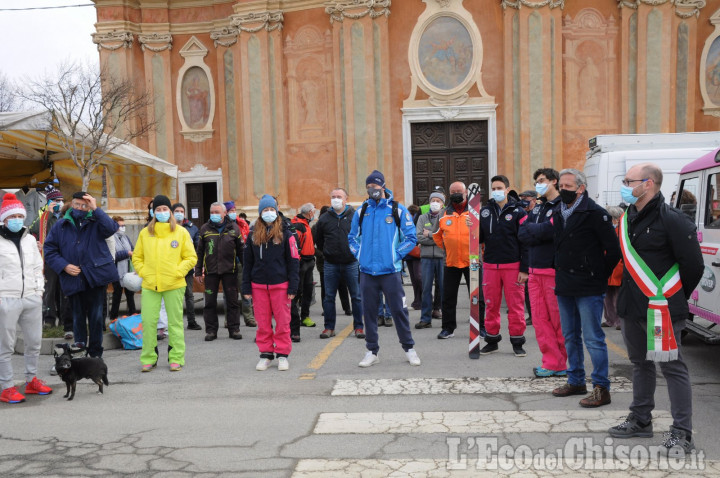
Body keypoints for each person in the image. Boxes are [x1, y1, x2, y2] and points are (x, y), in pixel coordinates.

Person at [608, 163, 704, 454]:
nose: (625, 184)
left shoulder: (672, 219)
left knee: (672, 368)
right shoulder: (628, 218)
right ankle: (640, 419)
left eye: (629, 180)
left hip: (660, 309)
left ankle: (681, 432)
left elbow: (693, 266)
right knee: (640, 365)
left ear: (648, 183)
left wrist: (670, 298)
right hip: (630, 306)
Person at [550, 169, 621, 407]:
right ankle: (576, 381)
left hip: (589, 285)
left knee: (593, 338)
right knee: (570, 336)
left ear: (581, 188)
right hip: (565, 284)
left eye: (568, 186)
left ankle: (601, 388)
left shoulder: (596, 214)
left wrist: (599, 274)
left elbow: (613, 250)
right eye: (561, 186)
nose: (563, 190)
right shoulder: (559, 211)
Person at [348, 170, 421, 367]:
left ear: (383, 186)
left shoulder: (397, 210)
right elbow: (352, 238)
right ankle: (371, 351)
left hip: (390, 272)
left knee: (399, 311)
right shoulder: (362, 211)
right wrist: (359, 254)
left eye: (375, 186)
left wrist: (395, 255)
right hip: (367, 273)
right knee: (369, 312)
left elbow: (411, 238)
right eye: (369, 187)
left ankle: (409, 348)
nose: (372, 189)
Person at [44, 192, 119, 358]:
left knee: (96, 317)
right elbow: (49, 250)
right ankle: (79, 350)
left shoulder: (96, 220)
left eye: (84, 205)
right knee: (77, 317)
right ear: (72, 204)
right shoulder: (61, 224)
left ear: (90, 205)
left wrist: (96, 209)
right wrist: (64, 266)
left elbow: (112, 228)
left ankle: (95, 353)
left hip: (95, 276)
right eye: (77, 204)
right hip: (73, 277)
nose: (80, 208)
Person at [132, 195, 197, 372]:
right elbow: (137, 257)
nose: (161, 212)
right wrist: (145, 272)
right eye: (158, 209)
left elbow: (191, 257)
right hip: (150, 285)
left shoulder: (181, 232)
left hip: (174, 284)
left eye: (164, 209)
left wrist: (178, 272)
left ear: (170, 211)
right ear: (153, 212)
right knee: (149, 322)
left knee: (175, 324)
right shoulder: (145, 233)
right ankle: (148, 358)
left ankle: (176, 357)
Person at [0, 193, 53, 404]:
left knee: (34, 342)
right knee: (6, 346)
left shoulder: (30, 240)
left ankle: (31, 380)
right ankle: (7, 386)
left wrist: (39, 291)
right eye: (11, 216)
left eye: (19, 216)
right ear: (3, 219)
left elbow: (36, 267)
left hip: (31, 296)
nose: (16, 220)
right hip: (7, 298)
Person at [518, 168, 567, 377]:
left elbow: (551, 231)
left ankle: (564, 363)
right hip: (534, 271)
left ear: (554, 181)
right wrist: (538, 231)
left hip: (552, 270)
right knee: (539, 320)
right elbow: (522, 233)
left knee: (558, 320)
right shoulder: (537, 207)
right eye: (536, 181)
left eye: (542, 180)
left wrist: (536, 231)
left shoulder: (562, 205)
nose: (538, 184)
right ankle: (550, 362)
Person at [242, 195, 300, 371]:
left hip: (280, 286)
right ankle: (266, 354)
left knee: (283, 323)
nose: (269, 213)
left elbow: (294, 261)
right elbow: (247, 263)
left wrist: (293, 286)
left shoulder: (286, 233)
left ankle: (282, 354)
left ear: (276, 211)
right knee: (263, 323)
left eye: (271, 210)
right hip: (258, 286)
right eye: (265, 210)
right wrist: (246, 286)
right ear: (260, 213)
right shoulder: (252, 235)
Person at [477, 175, 528, 356]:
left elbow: (525, 242)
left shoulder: (518, 212)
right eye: (493, 188)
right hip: (490, 265)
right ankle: (492, 340)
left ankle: (517, 341)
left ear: (507, 189)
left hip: (513, 266)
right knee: (491, 304)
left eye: (499, 188)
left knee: (515, 306)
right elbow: (480, 238)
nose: (496, 191)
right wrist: (472, 229)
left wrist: (524, 268)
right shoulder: (484, 211)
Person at [314, 189, 364, 339]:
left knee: (356, 296)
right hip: (331, 263)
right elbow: (319, 240)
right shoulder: (324, 219)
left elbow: (361, 236)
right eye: (333, 197)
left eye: (339, 197)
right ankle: (329, 327)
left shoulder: (355, 216)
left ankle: (359, 327)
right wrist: (327, 252)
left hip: (351, 263)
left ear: (346, 199)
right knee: (329, 296)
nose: (336, 199)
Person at [195, 202, 244, 341]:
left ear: (224, 213)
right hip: (211, 272)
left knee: (232, 302)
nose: (214, 215)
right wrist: (198, 271)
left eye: (217, 212)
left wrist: (246, 270)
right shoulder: (205, 229)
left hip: (230, 271)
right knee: (209, 302)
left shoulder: (234, 229)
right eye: (212, 212)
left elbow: (241, 251)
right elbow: (200, 252)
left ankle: (234, 329)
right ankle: (211, 331)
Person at [433, 182, 477, 339]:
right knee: (448, 297)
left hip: (472, 262)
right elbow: (437, 235)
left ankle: (480, 327)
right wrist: (448, 247)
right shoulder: (444, 213)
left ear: (466, 192)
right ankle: (448, 328)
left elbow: (483, 235)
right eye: (453, 192)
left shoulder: (474, 211)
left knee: (477, 297)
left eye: (459, 191)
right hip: (451, 262)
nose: (456, 194)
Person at [30, 187, 72, 338]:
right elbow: (32, 229)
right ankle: (49, 319)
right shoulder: (43, 216)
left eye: (61, 201)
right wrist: (47, 213)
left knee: (64, 290)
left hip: (65, 260)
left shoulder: (66, 216)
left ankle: (63, 319)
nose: (59, 203)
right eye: (56, 201)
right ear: (49, 202)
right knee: (49, 290)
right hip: (48, 260)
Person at [415, 190, 445, 329]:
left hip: (442, 258)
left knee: (444, 288)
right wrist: (437, 237)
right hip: (426, 258)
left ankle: (447, 319)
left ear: (443, 204)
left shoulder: (446, 217)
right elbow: (418, 237)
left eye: (438, 201)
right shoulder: (422, 218)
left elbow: (446, 238)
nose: (435, 203)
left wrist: (430, 235)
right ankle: (425, 319)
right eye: (433, 200)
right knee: (426, 288)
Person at [224, 202, 256, 328]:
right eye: (230, 210)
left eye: (234, 210)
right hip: (228, 263)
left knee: (245, 292)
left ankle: (249, 318)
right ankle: (229, 319)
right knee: (229, 294)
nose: (233, 212)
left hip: (241, 262)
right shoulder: (222, 226)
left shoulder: (242, 224)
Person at [172, 203, 202, 330]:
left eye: (181, 211)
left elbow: (197, 246)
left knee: (189, 295)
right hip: (172, 268)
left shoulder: (192, 228)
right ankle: (175, 322)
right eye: (177, 211)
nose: (179, 213)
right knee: (174, 297)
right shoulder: (168, 227)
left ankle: (191, 321)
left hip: (187, 268)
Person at [290, 203, 317, 340]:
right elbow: (295, 245)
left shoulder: (305, 224)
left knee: (308, 290)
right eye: (313, 212)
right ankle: (293, 319)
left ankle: (305, 316)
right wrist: (298, 260)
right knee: (297, 291)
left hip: (309, 261)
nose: (314, 214)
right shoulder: (298, 225)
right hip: (301, 263)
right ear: (309, 213)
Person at [109, 216, 138, 320]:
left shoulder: (125, 237)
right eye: (120, 226)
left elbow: (133, 249)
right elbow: (112, 255)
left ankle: (133, 315)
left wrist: (133, 253)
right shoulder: (110, 238)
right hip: (116, 270)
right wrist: (127, 253)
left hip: (128, 269)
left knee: (130, 293)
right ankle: (113, 318)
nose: (122, 228)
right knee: (117, 294)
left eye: (123, 225)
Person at [602, 206, 624, 330]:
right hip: (609, 267)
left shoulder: (622, 231)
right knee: (607, 297)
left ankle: (619, 321)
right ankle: (610, 319)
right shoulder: (609, 230)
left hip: (618, 268)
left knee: (617, 297)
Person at [518, 190, 538, 326]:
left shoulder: (538, 213)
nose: (524, 200)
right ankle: (531, 314)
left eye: (526, 198)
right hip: (526, 256)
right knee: (527, 290)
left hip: (538, 256)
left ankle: (538, 315)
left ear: (534, 200)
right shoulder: (521, 213)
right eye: (522, 198)